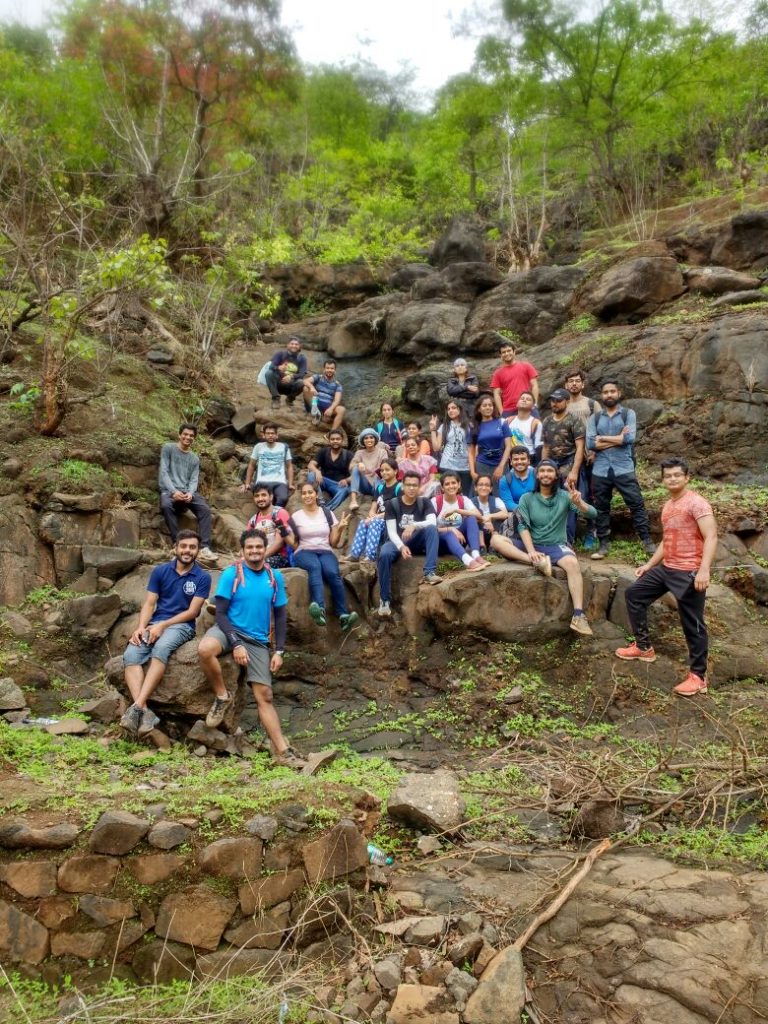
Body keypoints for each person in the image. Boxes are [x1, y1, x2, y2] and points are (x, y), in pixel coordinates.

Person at [197, 529, 305, 769]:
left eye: (259, 547)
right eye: (250, 548)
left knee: (265, 696)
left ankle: (282, 751)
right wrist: (235, 643)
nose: (255, 551)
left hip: (257, 640)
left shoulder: (274, 577)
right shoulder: (231, 574)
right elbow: (221, 614)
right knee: (205, 649)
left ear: (264, 549)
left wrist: (279, 651)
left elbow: (280, 614)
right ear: (242, 550)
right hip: (229, 630)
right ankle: (222, 696)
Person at [616, 458, 717, 697]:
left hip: (689, 570)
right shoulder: (669, 506)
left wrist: (704, 570)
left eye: (676, 475)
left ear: (687, 477)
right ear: (663, 479)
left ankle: (698, 677)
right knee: (634, 594)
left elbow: (711, 536)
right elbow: (667, 540)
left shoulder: (697, 503)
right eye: (668, 475)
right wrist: (650, 565)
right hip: (667, 567)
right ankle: (643, 647)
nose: (672, 479)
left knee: (692, 623)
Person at [490, 460, 597, 636]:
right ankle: (538, 563)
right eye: (542, 471)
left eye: (550, 471)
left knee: (572, 564)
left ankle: (578, 616)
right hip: (532, 545)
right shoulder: (527, 498)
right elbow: (522, 526)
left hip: (556, 546)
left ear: (555, 475)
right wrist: (531, 552)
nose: (546, 474)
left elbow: (593, 513)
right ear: (537, 475)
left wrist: (579, 503)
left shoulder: (565, 496)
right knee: (496, 540)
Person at [121, 530, 211, 736]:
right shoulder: (161, 571)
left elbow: (192, 612)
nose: (187, 551)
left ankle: (136, 707)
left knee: (161, 648)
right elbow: (150, 603)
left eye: (192, 547)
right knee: (131, 655)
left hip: (182, 626)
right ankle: (143, 711)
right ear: (176, 547)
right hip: (154, 623)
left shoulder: (202, 577)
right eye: (184, 546)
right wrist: (141, 627)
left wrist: (163, 626)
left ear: (197, 551)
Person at [586, 380, 655, 560]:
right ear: (602, 396)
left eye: (612, 391)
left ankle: (647, 541)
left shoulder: (627, 414)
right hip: (600, 470)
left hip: (623, 467)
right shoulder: (595, 418)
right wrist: (617, 438)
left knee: (636, 503)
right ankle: (603, 544)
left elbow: (629, 438)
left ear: (618, 393)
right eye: (605, 392)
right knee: (601, 507)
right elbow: (590, 443)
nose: (609, 395)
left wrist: (603, 439)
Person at [288, 482, 359, 630]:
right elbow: (292, 541)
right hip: (304, 551)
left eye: (310, 492)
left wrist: (339, 529)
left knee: (333, 573)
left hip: (325, 550)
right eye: (304, 493)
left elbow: (333, 542)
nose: (307, 495)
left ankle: (343, 616)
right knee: (315, 567)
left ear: (316, 494)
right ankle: (319, 610)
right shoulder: (296, 516)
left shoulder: (327, 513)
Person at [376, 471, 441, 616]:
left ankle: (429, 572)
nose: (411, 488)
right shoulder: (392, 504)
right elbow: (391, 532)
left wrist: (414, 525)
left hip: (416, 539)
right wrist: (401, 546)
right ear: (403, 486)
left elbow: (432, 521)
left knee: (431, 528)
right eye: (408, 485)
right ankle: (384, 599)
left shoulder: (424, 502)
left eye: (414, 485)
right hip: (396, 541)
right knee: (385, 553)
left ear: (419, 487)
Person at [158, 424, 216, 561]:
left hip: (186, 492)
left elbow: (194, 479)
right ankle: (176, 543)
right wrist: (173, 491)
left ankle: (204, 547)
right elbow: (164, 472)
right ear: (179, 435)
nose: (188, 437)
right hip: (169, 490)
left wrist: (190, 493)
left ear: (194, 438)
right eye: (185, 434)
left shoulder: (194, 458)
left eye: (191, 436)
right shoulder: (168, 448)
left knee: (205, 509)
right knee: (166, 506)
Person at [541, 388, 586, 544]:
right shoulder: (546, 421)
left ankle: (568, 541)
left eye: (559, 400)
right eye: (553, 400)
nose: (555, 403)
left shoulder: (574, 420)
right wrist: (542, 467)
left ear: (567, 402)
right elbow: (546, 447)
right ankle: (551, 538)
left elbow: (580, 447)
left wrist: (574, 471)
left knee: (569, 502)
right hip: (552, 465)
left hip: (568, 462)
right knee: (549, 500)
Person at [565, 368, 601, 550]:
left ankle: (591, 533)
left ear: (583, 384)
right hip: (571, 459)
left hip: (591, 458)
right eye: (571, 381)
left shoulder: (592, 404)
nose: (574, 383)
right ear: (566, 385)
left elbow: (601, 428)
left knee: (590, 497)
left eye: (577, 380)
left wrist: (595, 451)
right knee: (571, 495)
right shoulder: (564, 405)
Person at [349, 459, 402, 572]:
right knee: (364, 522)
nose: (384, 472)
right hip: (379, 519)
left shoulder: (399, 488)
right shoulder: (379, 488)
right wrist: (372, 516)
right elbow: (373, 508)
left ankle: (370, 556)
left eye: (387, 470)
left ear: (395, 471)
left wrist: (375, 518)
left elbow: (397, 510)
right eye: (382, 470)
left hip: (392, 521)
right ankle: (355, 554)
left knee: (374, 522)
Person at [433, 472, 487, 572]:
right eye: (447, 484)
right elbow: (429, 528)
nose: (451, 486)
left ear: (459, 485)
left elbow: (479, 516)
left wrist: (456, 510)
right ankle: (468, 562)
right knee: (448, 534)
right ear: (442, 487)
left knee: (470, 518)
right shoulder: (435, 501)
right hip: (441, 542)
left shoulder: (464, 500)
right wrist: (451, 529)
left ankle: (476, 555)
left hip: (459, 541)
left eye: (453, 483)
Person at [240, 423, 294, 508]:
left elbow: (289, 466)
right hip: (262, 481)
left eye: (272, 433)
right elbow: (251, 465)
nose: (270, 435)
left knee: (283, 498)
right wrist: (247, 483)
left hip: (279, 482)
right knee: (264, 500)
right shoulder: (258, 447)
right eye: (268, 433)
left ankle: (274, 515)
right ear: (264, 435)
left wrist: (290, 484)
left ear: (276, 435)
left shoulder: (284, 447)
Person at [469, 394, 514, 494]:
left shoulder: (502, 422)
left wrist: (501, 466)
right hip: (482, 465)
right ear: (479, 409)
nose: (488, 407)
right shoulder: (474, 426)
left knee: (502, 494)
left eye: (490, 405)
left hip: (501, 463)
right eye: (484, 405)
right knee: (481, 495)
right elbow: (471, 452)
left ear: (494, 407)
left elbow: (508, 447)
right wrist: (472, 472)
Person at [430, 401, 472, 495]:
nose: (450, 410)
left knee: (465, 494)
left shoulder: (469, 426)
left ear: (459, 409)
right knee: (449, 493)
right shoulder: (444, 426)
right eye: (448, 409)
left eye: (453, 408)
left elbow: (473, 446)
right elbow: (436, 447)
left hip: (465, 465)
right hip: (447, 464)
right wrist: (433, 429)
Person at [306, 429, 354, 511]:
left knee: (345, 490)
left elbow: (355, 474)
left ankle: (327, 509)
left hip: (338, 484)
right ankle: (320, 502)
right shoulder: (324, 452)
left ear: (342, 440)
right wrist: (317, 471)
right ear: (329, 441)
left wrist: (347, 480)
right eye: (332, 439)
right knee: (311, 475)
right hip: (323, 481)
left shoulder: (348, 455)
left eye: (338, 439)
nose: (335, 441)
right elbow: (311, 465)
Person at [247, 485, 293, 568]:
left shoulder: (279, 513)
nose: (260, 498)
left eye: (263, 495)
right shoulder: (253, 520)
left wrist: (260, 558)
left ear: (271, 497)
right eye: (257, 496)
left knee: (259, 565)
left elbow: (279, 543)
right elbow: (247, 543)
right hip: (258, 555)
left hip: (280, 557)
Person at [490, 337, 539, 416]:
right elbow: (496, 394)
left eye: (509, 351)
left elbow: (534, 385)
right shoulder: (497, 373)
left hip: (528, 407)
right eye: (503, 352)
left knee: (534, 428)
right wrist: (501, 411)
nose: (506, 354)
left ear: (514, 352)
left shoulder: (526, 366)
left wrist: (535, 404)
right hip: (508, 410)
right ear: (501, 355)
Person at [349, 428, 391, 511]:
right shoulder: (359, 453)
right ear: (363, 441)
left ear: (375, 439)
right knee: (355, 468)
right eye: (366, 438)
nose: (369, 440)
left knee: (380, 477)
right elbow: (351, 466)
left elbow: (386, 466)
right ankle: (353, 500)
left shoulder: (382, 452)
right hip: (364, 484)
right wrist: (358, 464)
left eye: (371, 437)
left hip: (377, 482)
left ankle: (379, 505)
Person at [303, 358, 346, 430]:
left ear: (335, 370)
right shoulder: (318, 377)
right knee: (306, 388)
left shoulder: (337, 385)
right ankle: (316, 412)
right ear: (324, 369)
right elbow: (305, 381)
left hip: (327, 407)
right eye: (327, 368)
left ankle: (332, 432)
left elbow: (337, 400)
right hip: (315, 403)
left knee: (342, 409)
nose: (329, 370)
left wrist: (331, 409)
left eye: (332, 368)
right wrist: (312, 387)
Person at [264, 337, 308, 406]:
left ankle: (290, 399)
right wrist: (278, 367)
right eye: (292, 344)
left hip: (292, 385)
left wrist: (291, 376)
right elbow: (271, 366)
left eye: (296, 344)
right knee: (269, 373)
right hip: (278, 383)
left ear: (299, 346)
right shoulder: (280, 354)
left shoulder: (302, 358)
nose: (294, 346)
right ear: (288, 345)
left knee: (301, 382)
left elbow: (302, 373)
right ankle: (276, 399)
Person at [473, 474, 509, 550]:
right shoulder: (470, 502)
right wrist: (484, 521)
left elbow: (505, 514)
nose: (483, 487)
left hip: (494, 532)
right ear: (475, 488)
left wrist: (490, 516)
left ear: (491, 489)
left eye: (487, 485)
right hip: (477, 535)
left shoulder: (497, 500)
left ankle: (493, 545)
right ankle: (482, 546)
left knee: (498, 511)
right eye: (480, 485)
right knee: (476, 513)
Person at [506, 391, 542, 463]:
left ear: (533, 407)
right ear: (517, 403)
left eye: (528, 399)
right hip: (511, 458)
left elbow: (539, 447)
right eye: (522, 398)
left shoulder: (536, 423)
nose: (524, 400)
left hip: (529, 458)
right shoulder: (508, 421)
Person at [498, 446, 536, 512]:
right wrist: (527, 511)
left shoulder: (537, 475)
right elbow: (508, 503)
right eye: (516, 459)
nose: (519, 462)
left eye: (523, 459)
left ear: (529, 461)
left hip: (538, 512)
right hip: (518, 514)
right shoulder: (505, 480)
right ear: (511, 462)